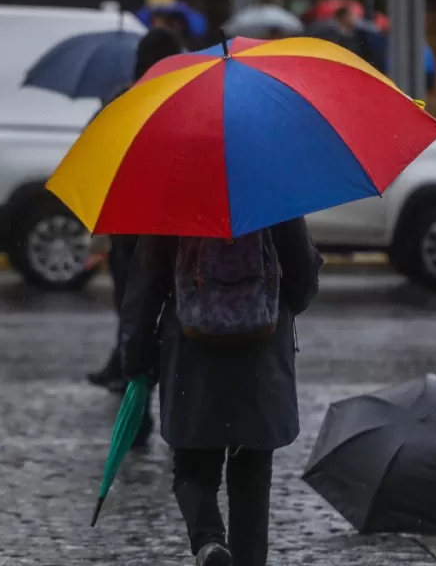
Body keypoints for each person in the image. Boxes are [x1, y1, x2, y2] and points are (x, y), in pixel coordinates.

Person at [119, 219, 322, 565]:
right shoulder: (272, 199)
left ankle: (209, 541)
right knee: (252, 476)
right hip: (261, 356)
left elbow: (145, 286)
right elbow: (302, 281)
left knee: (192, 470)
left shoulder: (173, 203)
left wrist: (136, 359)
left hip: (192, 356)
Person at [86, 28, 185, 449]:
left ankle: (138, 413)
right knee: (178, 324)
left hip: (132, 231)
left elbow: (95, 161)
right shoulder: (186, 101)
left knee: (137, 322)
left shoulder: (121, 103)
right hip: (178, 230)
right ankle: (177, 414)